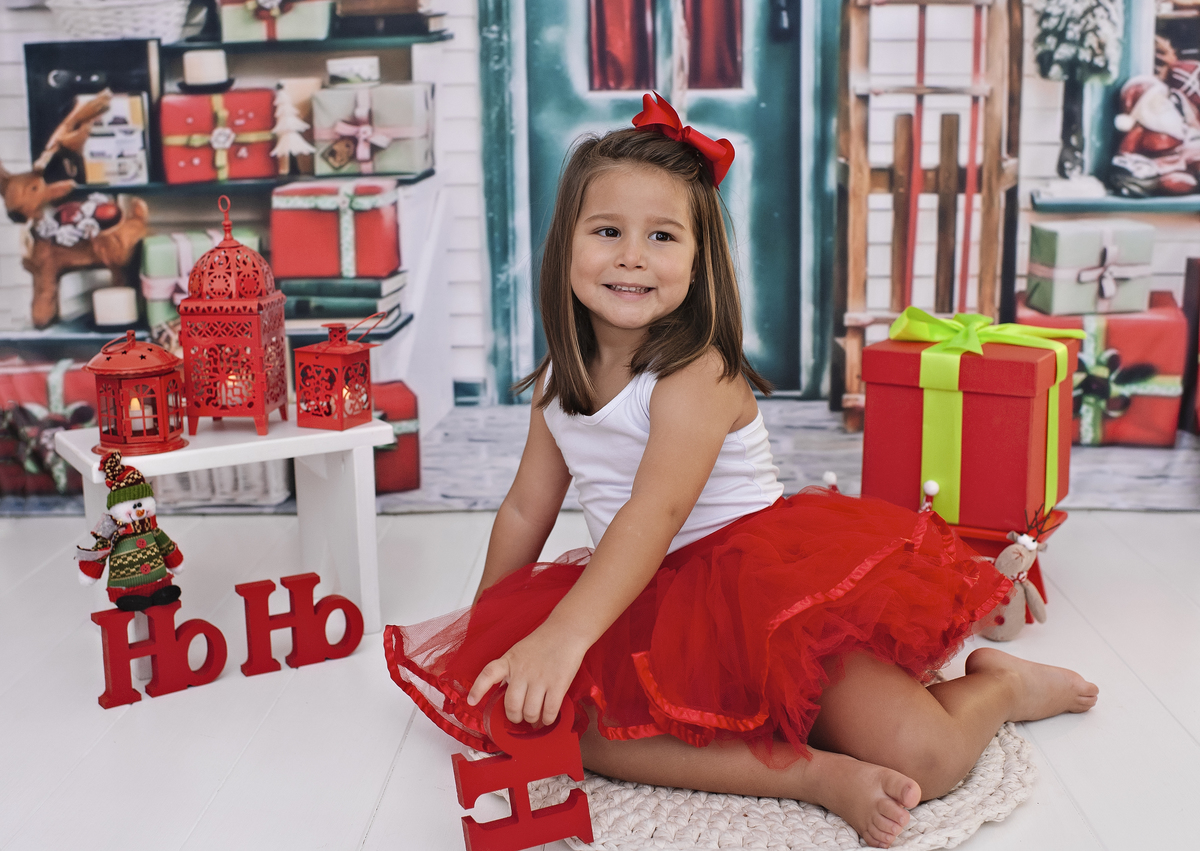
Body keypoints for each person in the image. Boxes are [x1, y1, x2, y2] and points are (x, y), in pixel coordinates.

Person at [384, 93, 1098, 849]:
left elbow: (651, 515)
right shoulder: (566, 377)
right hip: (641, 596)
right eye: (607, 231)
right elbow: (527, 507)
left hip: (769, 599)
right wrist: (492, 631)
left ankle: (1001, 686)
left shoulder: (698, 375)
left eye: (661, 235)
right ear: (566, 247)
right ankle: (811, 774)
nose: (631, 255)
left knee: (928, 756)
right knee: (549, 721)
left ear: (697, 264)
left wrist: (562, 638)